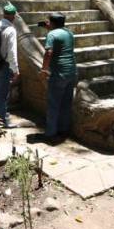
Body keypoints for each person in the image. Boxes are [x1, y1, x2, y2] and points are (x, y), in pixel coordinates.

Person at [40, 12, 77, 140]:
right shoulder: (69, 33)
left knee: (53, 104)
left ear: (53, 23)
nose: (47, 23)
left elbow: (48, 52)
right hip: (71, 72)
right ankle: (63, 130)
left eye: (49, 21)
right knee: (66, 103)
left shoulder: (51, 34)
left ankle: (50, 133)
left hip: (58, 73)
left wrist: (44, 69)